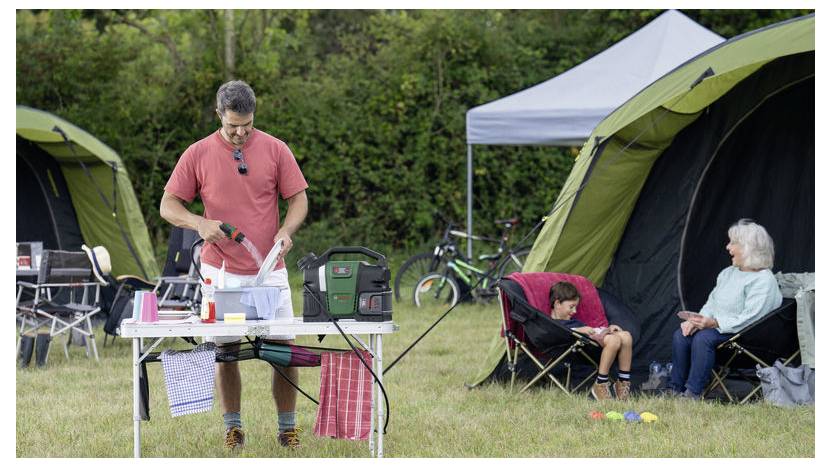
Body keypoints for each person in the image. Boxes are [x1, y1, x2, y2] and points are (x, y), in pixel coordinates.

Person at [160, 80, 309, 450]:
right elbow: (168, 206)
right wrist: (199, 223)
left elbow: (299, 200)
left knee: (284, 350)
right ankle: (234, 428)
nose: (241, 132)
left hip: (269, 269)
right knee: (226, 352)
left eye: (247, 124)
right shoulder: (197, 154)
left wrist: (286, 231)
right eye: (232, 126)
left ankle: (287, 429)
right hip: (221, 271)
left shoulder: (276, 149)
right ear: (218, 116)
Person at [670, 219, 783, 399]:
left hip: (747, 340)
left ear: (748, 248)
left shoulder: (764, 280)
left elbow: (753, 319)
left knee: (704, 338)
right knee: (682, 335)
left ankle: (693, 393)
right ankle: (674, 390)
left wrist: (714, 323)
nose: (728, 247)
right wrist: (697, 321)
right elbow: (712, 303)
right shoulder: (728, 273)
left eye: (733, 243)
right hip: (720, 331)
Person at [549, 281, 634, 401]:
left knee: (626, 336)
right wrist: (579, 330)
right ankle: (600, 383)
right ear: (557, 303)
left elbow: (592, 331)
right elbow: (559, 333)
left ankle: (623, 383)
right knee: (614, 340)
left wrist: (608, 329)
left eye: (576, 307)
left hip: (596, 340)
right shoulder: (553, 324)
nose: (574, 311)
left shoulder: (574, 321)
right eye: (571, 307)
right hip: (583, 348)